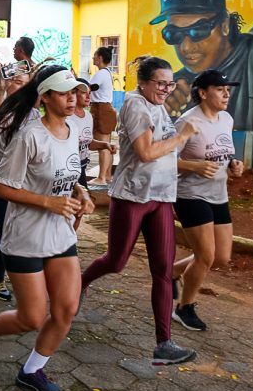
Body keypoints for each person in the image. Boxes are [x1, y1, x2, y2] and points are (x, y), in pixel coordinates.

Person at [0, 66, 93, 391]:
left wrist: (82, 193)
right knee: (32, 317)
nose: (72, 98)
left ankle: (32, 370)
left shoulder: (73, 127)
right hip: (25, 239)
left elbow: (68, 173)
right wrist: (47, 202)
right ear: (45, 98)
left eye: (75, 92)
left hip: (61, 236)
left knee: (66, 310)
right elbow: (0, 187)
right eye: (64, 93)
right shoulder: (29, 136)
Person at [79, 56, 199, 366]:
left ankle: (164, 344)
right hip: (132, 196)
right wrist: (182, 136)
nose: (165, 89)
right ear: (142, 82)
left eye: (169, 84)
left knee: (163, 268)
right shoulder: (134, 104)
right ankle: (80, 283)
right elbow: (146, 153)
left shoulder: (157, 105)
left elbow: (165, 147)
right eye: (160, 83)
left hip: (161, 196)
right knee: (116, 261)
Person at [170, 69, 244, 332]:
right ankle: (184, 308)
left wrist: (234, 165)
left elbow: (224, 153)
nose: (226, 94)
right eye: (219, 89)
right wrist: (194, 166)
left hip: (218, 194)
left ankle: (172, 272)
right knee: (205, 256)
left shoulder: (226, 119)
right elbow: (165, 160)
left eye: (228, 89)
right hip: (190, 194)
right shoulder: (188, 122)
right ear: (202, 93)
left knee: (222, 257)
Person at [149, 0, 253, 128]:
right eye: (174, 34)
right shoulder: (176, 88)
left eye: (198, 30)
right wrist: (161, 113)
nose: (185, 47)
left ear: (225, 24)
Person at [0, 69, 36, 301]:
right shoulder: (5, 110)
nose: (17, 86)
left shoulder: (33, 115)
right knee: (9, 231)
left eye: (22, 82)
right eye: (14, 81)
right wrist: (0, 89)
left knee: (12, 230)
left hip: (21, 177)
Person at [68, 78, 117, 188]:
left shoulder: (88, 116)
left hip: (83, 165)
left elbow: (87, 142)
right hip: (68, 169)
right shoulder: (67, 118)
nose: (88, 97)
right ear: (73, 94)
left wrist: (105, 145)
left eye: (89, 93)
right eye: (84, 93)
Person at [87, 47, 118, 186]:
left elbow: (90, 87)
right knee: (107, 144)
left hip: (101, 109)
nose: (93, 58)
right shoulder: (106, 73)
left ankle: (101, 178)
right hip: (105, 108)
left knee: (103, 145)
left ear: (99, 58)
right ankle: (108, 175)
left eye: (94, 56)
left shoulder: (101, 73)